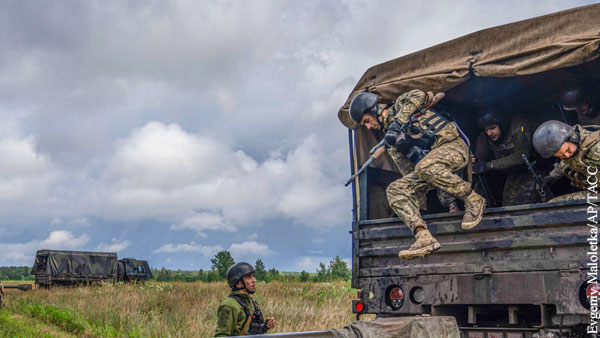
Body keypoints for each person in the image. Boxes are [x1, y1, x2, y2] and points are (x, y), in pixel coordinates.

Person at [349, 90, 486, 260]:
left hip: (453, 147)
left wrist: (397, 124)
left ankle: (473, 199)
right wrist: (417, 201)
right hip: (430, 166)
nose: (369, 127)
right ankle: (423, 237)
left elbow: (419, 95)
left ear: (375, 111)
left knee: (424, 166)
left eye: (367, 121)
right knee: (395, 189)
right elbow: (408, 171)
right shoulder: (392, 143)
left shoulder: (400, 106)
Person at [472, 110, 539, 206]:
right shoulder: (486, 136)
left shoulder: (519, 125)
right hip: (514, 173)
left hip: (534, 168)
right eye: (486, 130)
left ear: (501, 124)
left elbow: (520, 157)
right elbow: (480, 155)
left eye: (492, 128)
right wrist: (474, 159)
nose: (489, 133)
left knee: (522, 204)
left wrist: (490, 165)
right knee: (508, 204)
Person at [533, 120, 600, 201]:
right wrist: (551, 177)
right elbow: (566, 163)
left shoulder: (597, 148)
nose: (567, 155)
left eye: (568, 150)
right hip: (594, 189)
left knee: (555, 205)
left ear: (572, 138)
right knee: (554, 203)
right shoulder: (574, 149)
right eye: (561, 155)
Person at [214, 262, 276, 336]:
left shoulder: (250, 302)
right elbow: (222, 335)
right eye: (249, 277)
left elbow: (251, 331)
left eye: (253, 276)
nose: (254, 280)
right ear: (238, 283)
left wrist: (265, 326)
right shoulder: (229, 305)